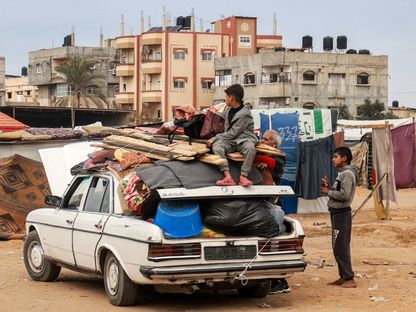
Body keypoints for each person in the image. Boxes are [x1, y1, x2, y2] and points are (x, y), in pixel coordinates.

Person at [321, 146, 358, 288]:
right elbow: (340, 191)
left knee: (341, 246)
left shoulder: (347, 174)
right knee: (338, 245)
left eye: (336, 156)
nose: (333, 159)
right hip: (337, 213)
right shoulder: (342, 173)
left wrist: (327, 191)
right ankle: (343, 276)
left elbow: (345, 195)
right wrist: (329, 187)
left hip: (342, 214)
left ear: (344, 158)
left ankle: (349, 278)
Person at [206, 84, 257, 187]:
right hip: (231, 140)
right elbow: (225, 117)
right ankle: (228, 177)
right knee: (217, 147)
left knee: (250, 148)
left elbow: (232, 133)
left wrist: (214, 138)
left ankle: (243, 176)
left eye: (226, 96)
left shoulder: (244, 115)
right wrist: (211, 113)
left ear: (231, 98)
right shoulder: (230, 109)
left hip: (243, 139)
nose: (225, 99)